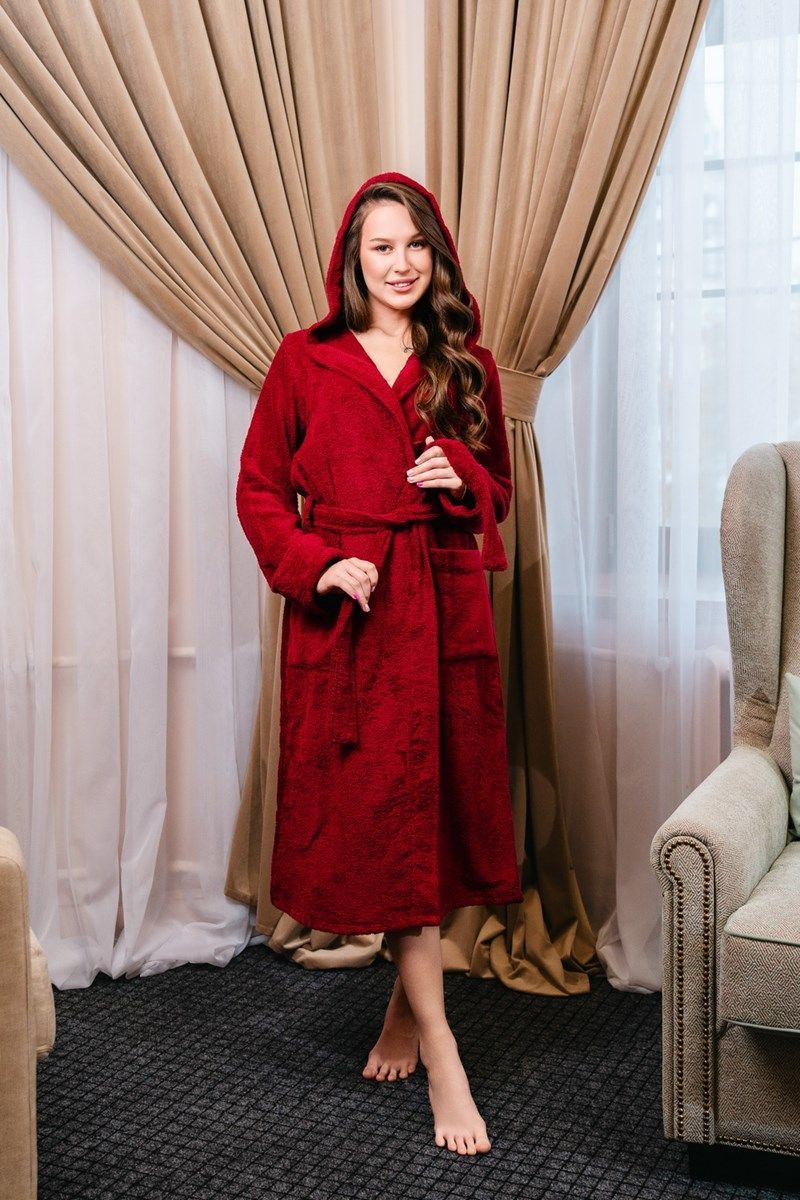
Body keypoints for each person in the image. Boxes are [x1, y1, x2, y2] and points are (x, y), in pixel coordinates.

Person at [236, 171, 522, 1156]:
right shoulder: (305, 360)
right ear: (351, 263)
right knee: (379, 817)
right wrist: (320, 564)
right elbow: (259, 491)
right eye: (381, 249)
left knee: (435, 814)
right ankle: (443, 1045)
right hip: (353, 617)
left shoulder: (465, 363)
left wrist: (461, 474)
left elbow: (498, 494)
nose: (401, 265)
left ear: (436, 254)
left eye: (414, 246)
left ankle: (409, 1013)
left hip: (442, 607)